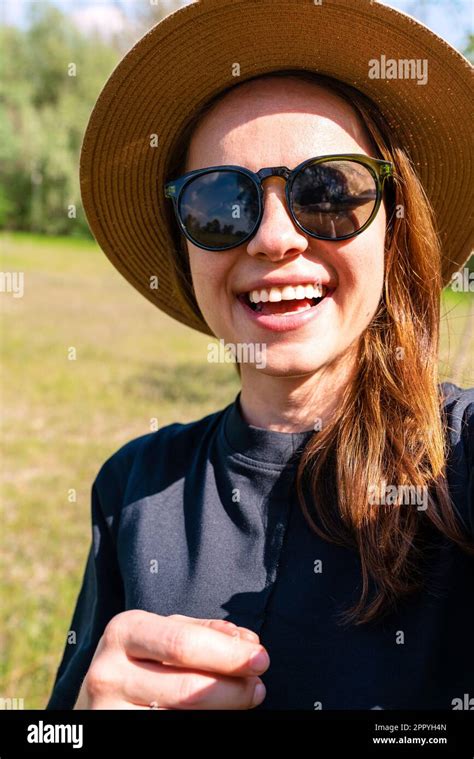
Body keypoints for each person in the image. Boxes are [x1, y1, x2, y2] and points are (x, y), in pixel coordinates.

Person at [46, 0, 474, 710]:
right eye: (221, 202)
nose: (274, 238)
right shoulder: (132, 490)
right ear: (185, 248)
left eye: (330, 191)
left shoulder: (459, 462)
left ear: (393, 232)